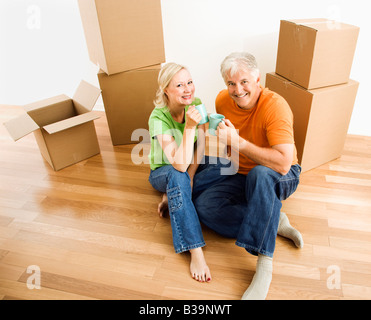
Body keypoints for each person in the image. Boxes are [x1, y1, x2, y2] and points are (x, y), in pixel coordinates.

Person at [193, 52, 303, 300]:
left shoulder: (275, 106)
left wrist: (239, 143)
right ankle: (274, 218)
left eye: (244, 82)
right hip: (238, 169)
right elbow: (225, 144)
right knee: (205, 206)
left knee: (261, 175)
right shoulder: (222, 100)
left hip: (279, 174)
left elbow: (284, 164)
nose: (237, 90)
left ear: (257, 79)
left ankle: (264, 265)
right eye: (231, 83)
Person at [148, 62, 231, 283]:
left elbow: (201, 145)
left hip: (188, 166)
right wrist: (190, 127)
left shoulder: (195, 104)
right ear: (166, 90)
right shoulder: (157, 119)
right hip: (164, 171)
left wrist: (192, 177)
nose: (188, 89)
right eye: (180, 85)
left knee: (226, 164)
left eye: (190, 82)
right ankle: (195, 250)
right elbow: (178, 165)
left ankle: (174, 194)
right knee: (177, 177)